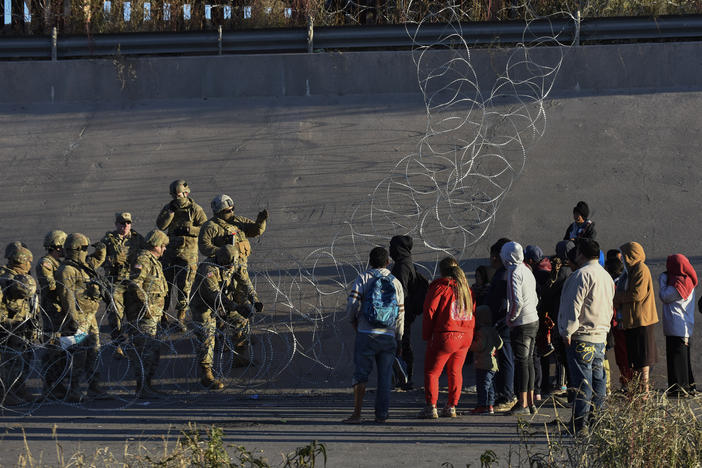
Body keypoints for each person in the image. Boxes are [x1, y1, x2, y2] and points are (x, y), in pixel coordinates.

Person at [558, 238, 614, 434]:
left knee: (583, 382)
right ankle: (598, 420)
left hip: (582, 335)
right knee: (598, 380)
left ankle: (579, 423)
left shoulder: (580, 275)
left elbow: (573, 305)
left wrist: (567, 330)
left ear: (580, 253)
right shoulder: (606, 276)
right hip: (600, 335)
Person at [343, 247, 404, 424]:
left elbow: (352, 303)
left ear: (370, 261)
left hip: (366, 333)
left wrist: (353, 320)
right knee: (385, 377)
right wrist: (399, 338)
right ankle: (381, 414)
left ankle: (357, 413)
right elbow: (401, 314)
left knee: (361, 374)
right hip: (388, 336)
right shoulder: (395, 282)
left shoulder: (363, 277)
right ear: (388, 262)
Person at [190, 244, 263, 389]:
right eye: (228, 265)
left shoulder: (234, 263)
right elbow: (214, 295)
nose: (231, 267)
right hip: (204, 306)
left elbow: (245, 280)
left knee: (241, 322)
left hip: (226, 302)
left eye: (232, 264)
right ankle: (207, 374)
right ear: (221, 261)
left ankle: (239, 357)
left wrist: (255, 299)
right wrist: (236, 307)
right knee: (207, 337)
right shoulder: (208, 270)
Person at [418, 256, 474, 419]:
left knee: (432, 372)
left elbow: (429, 311)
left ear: (442, 271)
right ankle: (451, 406)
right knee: (455, 371)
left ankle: (431, 406)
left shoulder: (440, 287)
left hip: (446, 334)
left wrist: (427, 334)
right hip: (465, 335)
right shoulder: (466, 289)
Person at [56, 233, 108, 402]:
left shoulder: (83, 266)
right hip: (79, 318)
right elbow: (67, 297)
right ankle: (74, 390)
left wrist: (101, 248)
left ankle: (94, 387)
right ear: (76, 249)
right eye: (84, 249)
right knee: (79, 355)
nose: (86, 252)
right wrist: (74, 320)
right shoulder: (67, 270)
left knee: (94, 351)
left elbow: (98, 260)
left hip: (90, 316)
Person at [156, 179, 207, 330]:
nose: (177, 198)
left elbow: (205, 228)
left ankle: (181, 318)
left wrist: (190, 230)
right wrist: (170, 214)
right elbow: (161, 225)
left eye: (179, 195)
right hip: (170, 252)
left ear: (186, 193)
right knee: (166, 285)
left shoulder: (195, 209)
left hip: (188, 253)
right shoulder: (169, 208)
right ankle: (163, 316)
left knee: (185, 287)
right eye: (174, 195)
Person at [125, 229, 169, 399]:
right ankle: (142, 387)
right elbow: (135, 284)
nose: (164, 249)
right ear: (156, 245)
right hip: (144, 316)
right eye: (163, 246)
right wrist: (148, 307)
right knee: (145, 352)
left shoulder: (154, 260)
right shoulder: (143, 259)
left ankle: (147, 385)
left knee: (153, 352)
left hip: (154, 315)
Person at [614, 241, 659, 393]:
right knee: (635, 358)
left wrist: (617, 298)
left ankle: (644, 390)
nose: (622, 259)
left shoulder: (641, 269)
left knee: (643, 357)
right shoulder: (630, 271)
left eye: (624, 255)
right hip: (632, 321)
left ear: (631, 255)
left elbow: (636, 294)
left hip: (642, 320)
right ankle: (640, 389)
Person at [500, 241, 539, 416]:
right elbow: (534, 297)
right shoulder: (526, 270)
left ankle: (522, 402)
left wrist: (510, 318)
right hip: (533, 319)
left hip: (521, 323)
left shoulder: (514, 272)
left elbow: (517, 301)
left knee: (522, 362)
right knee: (529, 361)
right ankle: (530, 402)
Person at [100, 212, 145, 358]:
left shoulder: (138, 239)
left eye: (127, 223)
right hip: (115, 283)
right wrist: (112, 260)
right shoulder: (108, 240)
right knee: (115, 315)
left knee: (134, 314)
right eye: (121, 223)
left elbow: (147, 255)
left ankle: (134, 343)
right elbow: (99, 259)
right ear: (116, 224)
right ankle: (117, 345)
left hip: (132, 283)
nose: (125, 226)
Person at [0, 246, 38, 405]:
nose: (30, 264)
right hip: (8, 326)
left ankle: (18, 388)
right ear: (21, 261)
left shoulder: (17, 276)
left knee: (21, 359)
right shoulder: (9, 278)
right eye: (28, 261)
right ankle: (6, 394)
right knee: (9, 361)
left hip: (21, 325)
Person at [389, 234, 426, 390]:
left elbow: (401, 292)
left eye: (392, 246)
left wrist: (398, 313)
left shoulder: (402, 266)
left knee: (401, 343)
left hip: (402, 313)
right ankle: (403, 377)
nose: (390, 249)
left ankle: (404, 378)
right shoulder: (406, 262)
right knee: (403, 343)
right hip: (406, 312)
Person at [36, 230, 68, 399]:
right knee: (53, 351)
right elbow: (51, 286)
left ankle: (59, 385)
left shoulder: (60, 263)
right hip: (52, 314)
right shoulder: (46, 263)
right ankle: (50, 388)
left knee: (62, 351)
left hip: (61, 313)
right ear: (57, 246)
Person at [658, 254, 697, 397]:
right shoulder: (687, 280)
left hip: (677, 325)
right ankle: (688, 386)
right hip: (681, 325)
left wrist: (662, 281)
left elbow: (665, 296)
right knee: (682, 358)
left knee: (677, 359)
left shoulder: (679, 284)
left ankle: (679, 388)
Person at [484, 237, 515, 412]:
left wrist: (494, 318)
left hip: (502, 322)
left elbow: (500, 302)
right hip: (504, 321)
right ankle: (507, 393)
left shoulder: (503, 275)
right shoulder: (508, 272)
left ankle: (507, 395)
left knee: (505, 359)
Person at [604, 250, 631, 389]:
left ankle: (627, 383)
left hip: (618, 324)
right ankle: (626, 383)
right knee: (623, 355)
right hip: (622, 324)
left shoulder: (615, 284)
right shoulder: (624, 280)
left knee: (622, 356)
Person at [470, 305, 503, 414]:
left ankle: (482, 405)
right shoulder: (493, 330)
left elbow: (480, 345)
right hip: (492, 364)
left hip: (483, 364)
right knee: (490, 386)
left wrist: (470, 345)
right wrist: (493, 347)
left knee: (482, 385)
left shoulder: (481, 332)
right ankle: (490, 405)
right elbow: (500, 343)